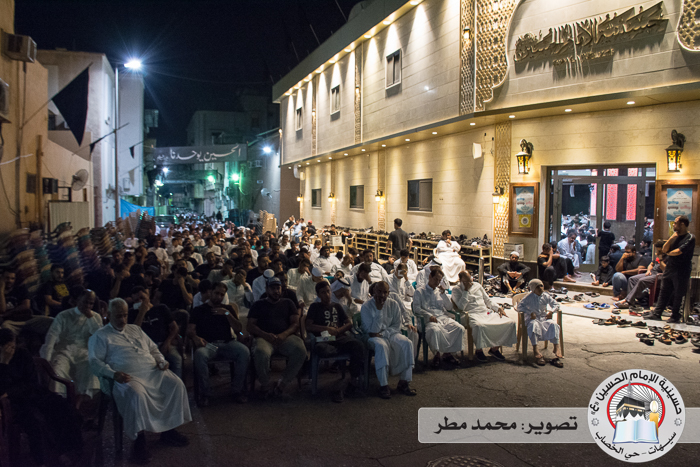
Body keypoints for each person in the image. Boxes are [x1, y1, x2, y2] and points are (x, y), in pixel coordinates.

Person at [88, 298, 191, 464]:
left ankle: (168, 431)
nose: (123, 320)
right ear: (109, 315)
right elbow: (95, 362)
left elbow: (153, 348)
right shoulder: (100, 336)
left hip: (151, 371)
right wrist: (113, 374)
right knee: (137, 395)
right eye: (118, 316)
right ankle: (139, 441)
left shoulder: (135, 329)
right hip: (126, 376)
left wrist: (161, 361)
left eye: (125, 315)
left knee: (175, 384)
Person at [0, 329, 84, 466]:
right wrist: (4, 362)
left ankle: (70, 451)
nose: (11, 350)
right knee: (35, 420)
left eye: (13, 346)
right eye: (8, 347)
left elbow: (31, 382)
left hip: (33, 393)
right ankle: (43, 460)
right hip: (15, 403)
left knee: (63, 408)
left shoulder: (22, 354)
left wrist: (11, 391)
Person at [189, 282, 249, 406]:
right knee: (200, 355)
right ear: (210, 292)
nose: (219, 297)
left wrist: (227, 314)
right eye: (216, 293)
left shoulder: (228, 309)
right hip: (209, 345)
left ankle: (237, 390)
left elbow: (238, 329)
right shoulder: (199, 310)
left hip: (227, 343)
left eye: (222, 294)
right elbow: (190, 330)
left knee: (244, 351)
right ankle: (205, 393)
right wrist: (195, 337)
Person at [305, 281, 366, 402]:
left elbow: (349, 323)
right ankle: (336, 351)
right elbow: (308, 326)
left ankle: (353, 380)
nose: (327, 295)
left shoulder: (337, 306)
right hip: (323, 339)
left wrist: (338, 330)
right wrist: (326, 329)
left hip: (339, 337)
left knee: (358, 345)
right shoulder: (314, 307)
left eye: (328, 291)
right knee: (320, 348)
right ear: (318, 294)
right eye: (323, 292)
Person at [247, 276, 306, 398]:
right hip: (264, 338)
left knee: (300, 350)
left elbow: (295, 324)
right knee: (260, 351)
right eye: (272, 288)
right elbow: (250, 326)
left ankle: (282, 383)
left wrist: (284, 334)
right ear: (266, 289)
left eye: (278, 288)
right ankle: (265, 385)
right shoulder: (258, 304)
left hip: (285, 338)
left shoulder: (288, 303)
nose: (276, 291)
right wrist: (265, 335)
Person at [40, 288, 102, 403]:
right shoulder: (63, 316)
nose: (88, 306)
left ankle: (81, 402)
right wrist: (46, 360)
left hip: (84, 351)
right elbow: (51, 337)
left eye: (91, 303)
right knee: (57, 369)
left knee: (91, 368)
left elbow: (99, 336)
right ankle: (59, 401)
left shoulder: (96, 317)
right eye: (85, 302)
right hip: (64, 350)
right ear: (78, 300)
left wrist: (91, 318)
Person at [360, 282, 416, 399]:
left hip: (389, 333)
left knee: (407, 343)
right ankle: (384, 385)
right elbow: (372, 331)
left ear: (388, 293)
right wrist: (379, 310)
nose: (382, 295)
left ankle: (404, 382)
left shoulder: (393, 304)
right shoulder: (366, 306)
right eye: (379, 291)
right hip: (372, 337)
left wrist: (383, 333)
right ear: (374, 292)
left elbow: (396, 326)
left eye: (385, 292)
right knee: (381, 346)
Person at [452, 271, 516, 363]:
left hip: (485, 312)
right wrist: (466, 291)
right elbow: (461, 307)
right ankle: (479, 350)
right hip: (471, 314)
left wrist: (498, 308)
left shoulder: (477, 286)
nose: (470, 283)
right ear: (461, 281)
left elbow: (488, 300)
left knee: (510, 322)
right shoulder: (456, 290)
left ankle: (494, 349)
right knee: (479, 326)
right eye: (466, 281)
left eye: (470, 280)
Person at [643, 215, 696, 323]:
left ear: (682, 224)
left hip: (682, 270)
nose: (673, 225)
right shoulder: (675, 237)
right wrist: (671, 238)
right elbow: (664, 249)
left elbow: (678, 251)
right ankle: (657, 313)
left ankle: (675, 316)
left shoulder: (690, 237)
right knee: (664, 291)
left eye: (675, 223)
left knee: (678, 294)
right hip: (670, 268)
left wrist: (667, 253)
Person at [128, 288, 183, 380]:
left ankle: (177, 384)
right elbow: (134, 332)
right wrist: (142, 312)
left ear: (148, 297)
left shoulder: (161, 308)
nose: (140, 301)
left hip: (163, 343)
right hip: (145, 348)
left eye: (142, 298)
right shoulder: (131, 313)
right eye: (136, 300)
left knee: (176, 359)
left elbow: (175, 327)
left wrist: (168, 342)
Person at [413, 269, 464, 367]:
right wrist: (428, 315)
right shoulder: (420, 291)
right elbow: (416, 308)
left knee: (459, 328)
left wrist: (444, 294)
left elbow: (449, 307)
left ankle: (448, 354)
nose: (437, 282)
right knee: (434, 330)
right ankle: (436, 354)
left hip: (442, 317)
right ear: (430, 277)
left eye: (439, 280)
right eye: (436, 279)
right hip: (428, 320)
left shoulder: (440, 291)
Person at [517, 279, 563, 368]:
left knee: (553, 325)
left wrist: (551, 312)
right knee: (533, 325)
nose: (541, 288)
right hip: (532, 319)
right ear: (533, 289)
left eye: (541, 286)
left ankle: (556, 347)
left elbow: (556, 304)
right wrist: (530, 312)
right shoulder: (528, 297)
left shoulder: (546, 296)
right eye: (537, 287)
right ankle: (536, 349)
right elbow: (519, 307)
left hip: (543, 318)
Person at [0, 268, 53, 336]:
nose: (10, 281)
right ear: (1, 278)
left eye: (12, 278)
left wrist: (8, 313)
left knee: (51, 321)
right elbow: (3, 310)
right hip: (10, 323)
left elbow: (26, 306)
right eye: (7, 278)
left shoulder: (20, 288)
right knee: (5, 328)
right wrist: (1, 290)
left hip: (26, 320)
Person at [615, 242, 666, 309]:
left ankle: (628, 300)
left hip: (659, 275)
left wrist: (661, 259)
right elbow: (651, 264)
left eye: (659, 251)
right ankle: (632, 301)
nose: (657, 252)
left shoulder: (667, 257)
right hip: (651, 273)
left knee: (641, 280)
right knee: (632, 279)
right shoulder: (657, 257)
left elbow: (664, 269)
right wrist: (648, 270)